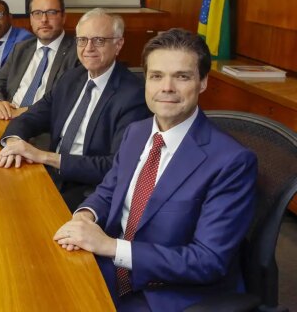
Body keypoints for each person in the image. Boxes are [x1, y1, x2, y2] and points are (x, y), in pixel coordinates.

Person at [53, 28, 257, 311]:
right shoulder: (136, 133)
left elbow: (207, 260)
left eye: (182, 76)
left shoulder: (232, 162)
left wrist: (111, 247)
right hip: (110, 268)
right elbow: (109, 189)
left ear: (203, 83)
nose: (167, 88)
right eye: (156, 76)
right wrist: (85, 217)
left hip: (168, 294)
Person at [0, 9, 151, 210]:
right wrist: (14, 143)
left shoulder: (133, 95)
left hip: (90, 191)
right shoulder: (72, 78)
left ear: (118, 44)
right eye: (82, 40)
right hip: (50, 175)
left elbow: (115, 166)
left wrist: (44, 156)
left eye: (99, 41)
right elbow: (32, 116)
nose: (88, 48)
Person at [0, 0, 78, 120]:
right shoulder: (21, 49)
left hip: (42, 128)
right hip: (5, 120)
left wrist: (22, 112)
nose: (44, 19)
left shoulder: (78, 53)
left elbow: (67, 103)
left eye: (51, 12)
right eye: (37, 13)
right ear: (31, 19)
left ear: (63, 17)